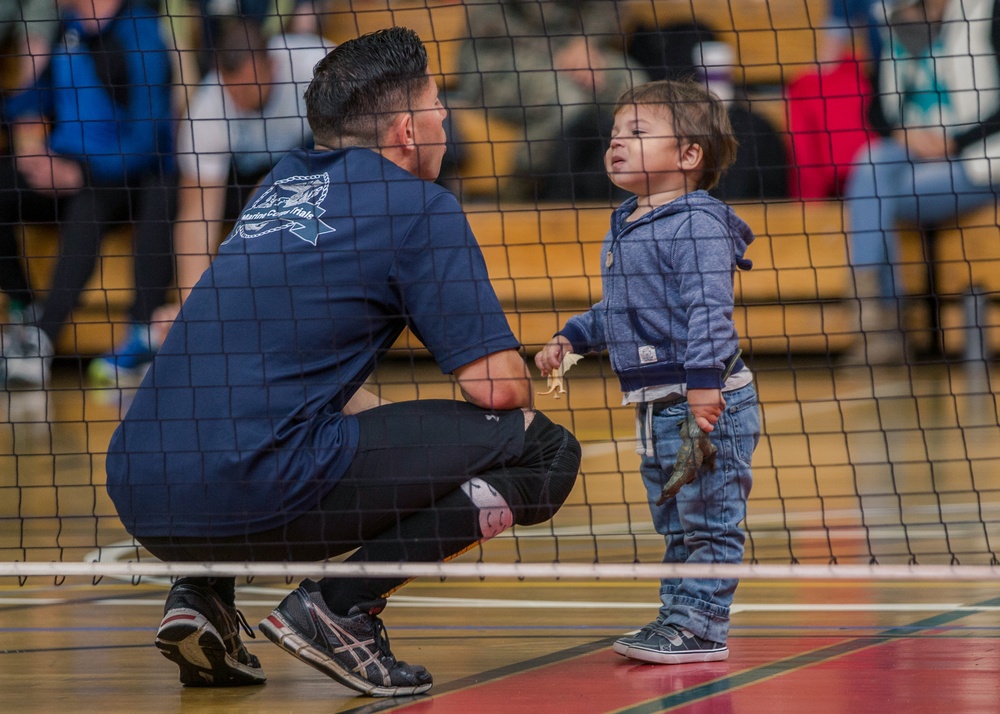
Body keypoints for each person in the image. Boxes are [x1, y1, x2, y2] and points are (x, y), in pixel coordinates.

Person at [104, 26, 581, 696]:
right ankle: (340, 608)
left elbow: (282, 365)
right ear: (407, 131)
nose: (446, 115)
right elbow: (500, 391)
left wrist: (404, 442)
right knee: (543, 450)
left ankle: (201, 594)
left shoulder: (281, 184)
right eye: (438, 101)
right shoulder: (419, 207)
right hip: (247, 485)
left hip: (141, 488)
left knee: (253, 418)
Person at [536, 78, 760, 664]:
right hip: (654, 401)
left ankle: (703, 626)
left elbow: (708, 309)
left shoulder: (696, 224)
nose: (616, 144)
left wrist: (705, 385)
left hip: (700, 401)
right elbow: (623, 308)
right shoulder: (630, 220)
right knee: (675, 520)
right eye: (615, 134)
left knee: (708, 517)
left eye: (637, 133)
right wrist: (572, 337)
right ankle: (677, 614)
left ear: (689, 156)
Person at [0, 0, 177, 389]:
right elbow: (37, 94)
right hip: (66, 165)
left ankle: (44, 339)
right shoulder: (69, 27)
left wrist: (82, 172)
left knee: (93, 201)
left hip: (125, 174)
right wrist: (26, 125)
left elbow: (147, 141)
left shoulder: (139, 31)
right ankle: (26, 307)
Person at [844, 0, 1000, 364]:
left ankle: (883, 331)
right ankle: (876, 321)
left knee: (874, 196)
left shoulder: (989, 11)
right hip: (913, 147)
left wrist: (954, 142)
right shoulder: (889, 18)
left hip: (980, 156)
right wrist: (902, 133)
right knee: (868, 164)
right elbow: (876, 108)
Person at [166, 18, 331, 318]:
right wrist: (192, 314)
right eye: (233, 90)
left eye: (247, 88)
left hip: (315, 163)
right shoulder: (208, 108)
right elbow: (196, 218)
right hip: (240, 181)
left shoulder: (316, 67)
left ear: (272, 67)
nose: (239, 99)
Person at [456, 0, 648, 202]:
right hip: (497, 61)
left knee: (632, 88)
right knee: (566, 101)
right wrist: (562, 52)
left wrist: (586, 41)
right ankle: (523, 191)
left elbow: (612, 8)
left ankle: (630, 194)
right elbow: (488, 24)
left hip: (575, 50)